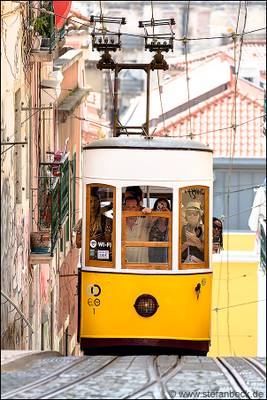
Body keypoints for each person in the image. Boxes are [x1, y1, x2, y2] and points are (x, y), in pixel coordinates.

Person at [123, 195, 151, 263]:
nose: (130, 209)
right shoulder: (119, 223)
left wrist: (150, 212)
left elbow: (159, 219)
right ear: (124, 208)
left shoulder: (145, 221)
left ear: (138, 208)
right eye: (128, 207)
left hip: (141, 267)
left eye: (133, 207)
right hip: (123, 267)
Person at [89, 189, 113, 260]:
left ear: (99, 203)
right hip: (89, 255)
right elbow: (78, 244)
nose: (93, 204)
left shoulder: (107, 220)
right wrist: (91, 239)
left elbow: (109, 240)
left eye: (95, 201)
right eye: (90, 202)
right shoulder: (83, 221)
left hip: (103, 255)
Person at [148, 198, 171, 263]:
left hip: (166, 252)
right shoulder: (152, 220)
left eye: (164, 208)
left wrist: (168, 214)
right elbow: (147, 225)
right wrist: (157, 214)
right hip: (152, 251)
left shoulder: (170, 222)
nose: (162, 210)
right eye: (159, 207)